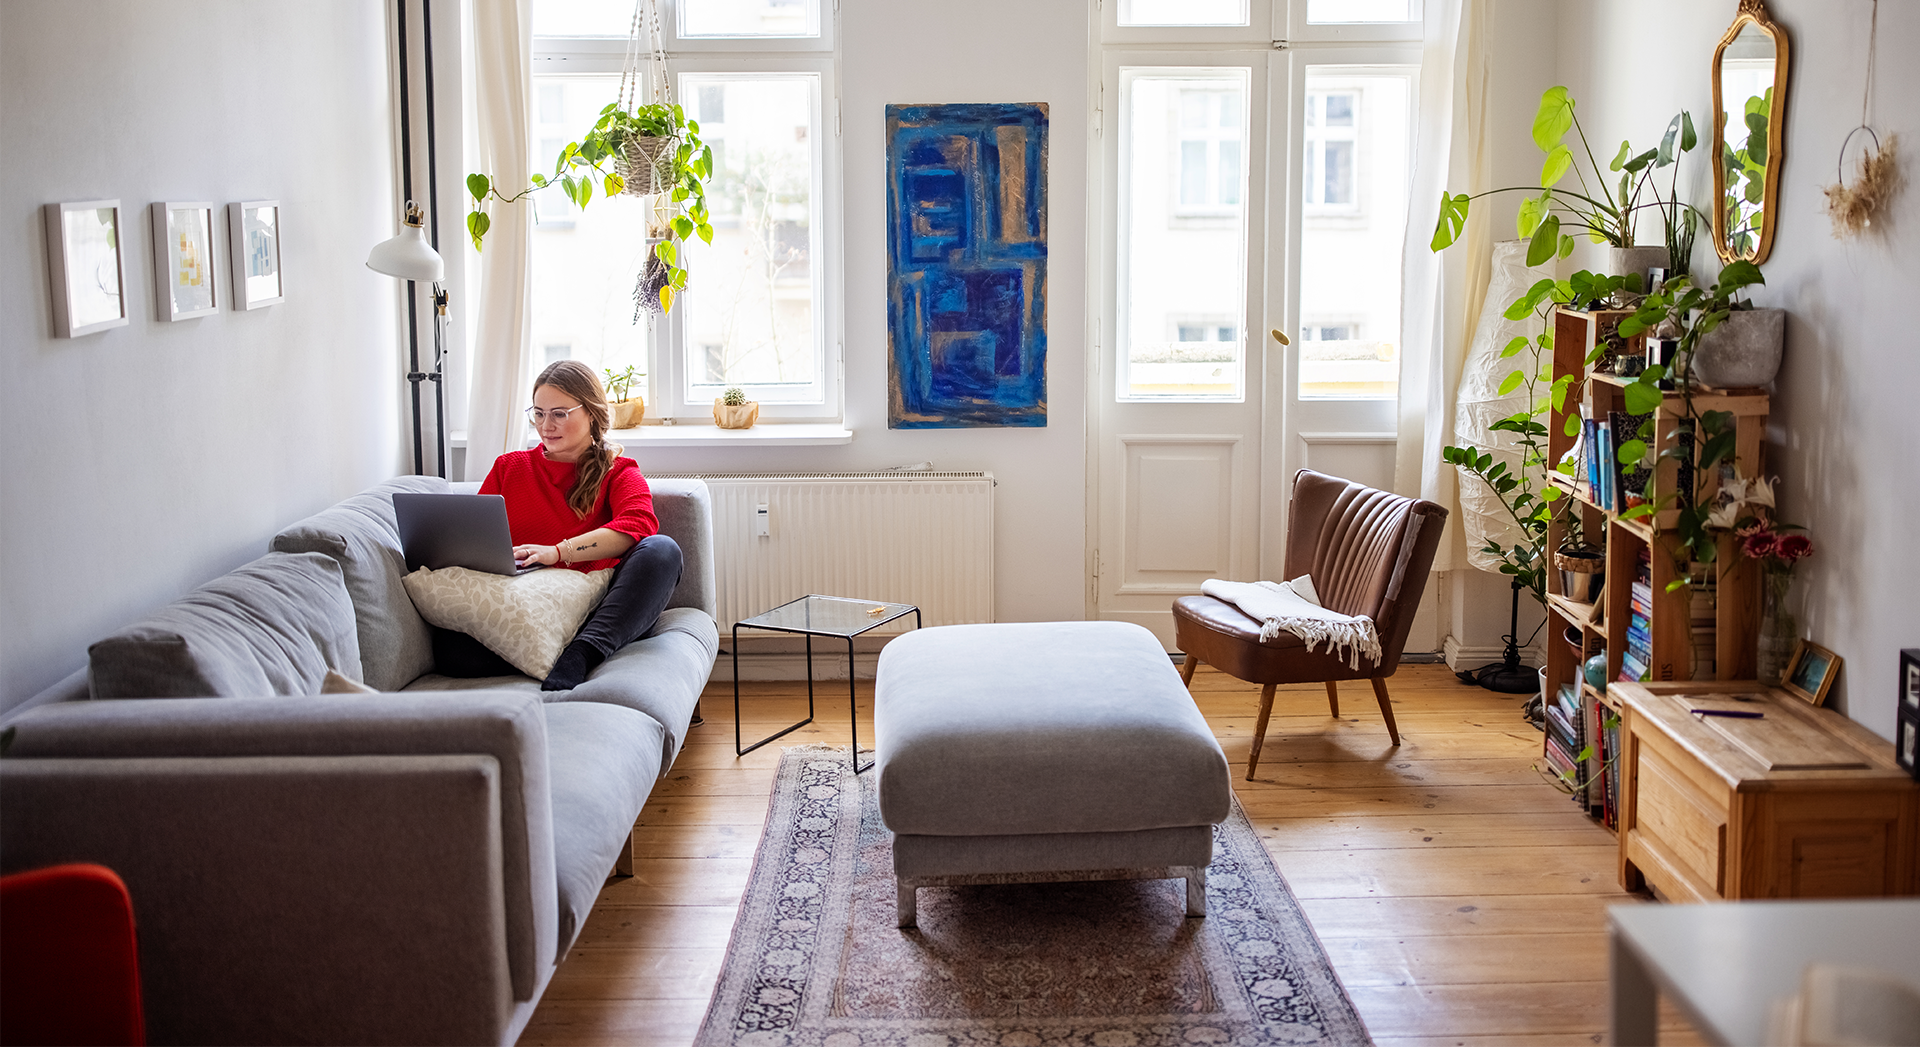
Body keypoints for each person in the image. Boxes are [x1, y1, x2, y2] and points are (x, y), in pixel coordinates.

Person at [434, 359, 684, 691]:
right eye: (538, 413)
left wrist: (558, 552)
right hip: (526, 607)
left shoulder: (619, 471)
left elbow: (638, 524)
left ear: (591, 413)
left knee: (663, 551)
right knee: (451, 652)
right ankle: (554, 649)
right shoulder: (509, 468)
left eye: (559, 414)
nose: (545, 425)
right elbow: (476, 538)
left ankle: (583, 651)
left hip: (594, 609)